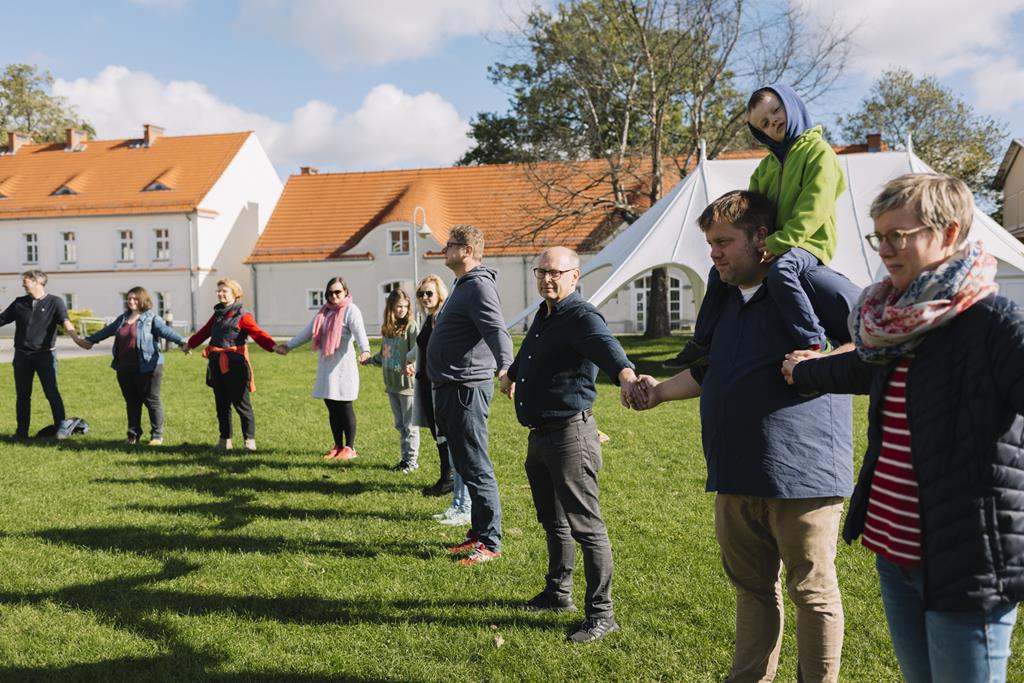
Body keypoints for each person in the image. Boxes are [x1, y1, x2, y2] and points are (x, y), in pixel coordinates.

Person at [782, 173, 1024, 683]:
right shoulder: (895, 321)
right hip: (894, 555)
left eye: (899, 235)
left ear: (950, 233)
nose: (885, 249)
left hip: (966, 560)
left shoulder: (995, 325)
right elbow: (859, 368)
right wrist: (804, 370)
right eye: (879, 236)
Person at [630, 190, 861, 682]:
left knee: (813, 593)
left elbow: (877, 337)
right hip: (735, 471)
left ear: (762, 238)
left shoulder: (814, 284)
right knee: (752, 589)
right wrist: (660, 392)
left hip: (802, 475)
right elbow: (712, 373)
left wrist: (824, 360)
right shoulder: (727, 301)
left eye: (723, 242)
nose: (713, 254)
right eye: (710, 243)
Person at [500, 246, 638, 644]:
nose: (547, 279)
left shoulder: (580, 315)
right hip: (541, 437)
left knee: (586, 527)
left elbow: (607, 347)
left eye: (555, 273)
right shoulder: (544, 316)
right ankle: (558, 593)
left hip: (570, 437)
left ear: (574, 276)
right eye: (541, 272)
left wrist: (627, 376)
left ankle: (602, 613)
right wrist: (511, 373)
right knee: (553, 522)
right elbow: (528, 356)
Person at [665, 83, 845, 370]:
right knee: (719, 274)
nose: (774, 121)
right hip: (773, 241)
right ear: (761, 133)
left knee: (782, 271)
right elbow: (753, 213)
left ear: (791, 105)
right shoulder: (765, 168)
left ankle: (814, 340)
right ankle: (703, 342)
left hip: (808, 243)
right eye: (765, 123)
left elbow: (815, 206)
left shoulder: (819, 153)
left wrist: (781, 241)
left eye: (776, 110)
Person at [426, 223, 513, 566]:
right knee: (464, 463)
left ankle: (490, 542)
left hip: (466, 389)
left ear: (466, 250)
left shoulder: (478, 287)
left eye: (449, 245)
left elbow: (497, 329)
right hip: (451, 387)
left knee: (476, 465)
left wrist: (506, 367)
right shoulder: (462, 284)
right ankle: (478, 534)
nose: (443, 250)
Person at [74, 286, 189, 445]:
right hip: (124, 367)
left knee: (151, 400)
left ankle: (156, 436)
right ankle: (133, 435)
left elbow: (166, 332)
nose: (131, 301)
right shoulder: (122, 319)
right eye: (129, 299)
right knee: (132, 401)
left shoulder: (151, 319)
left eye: (135, 298)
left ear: (143, 299)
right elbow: (106, 331)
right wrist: (89, 341)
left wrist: (182, 342)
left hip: (149, 366)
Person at [275, 276, 370, 460]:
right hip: (327, 366)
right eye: (330, 293)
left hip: (344, 368)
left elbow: (360, 333)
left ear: (345, 292)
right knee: (331, 406)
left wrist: (365, 350)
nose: (334, 296)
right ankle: (338, 446)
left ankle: (350, 448)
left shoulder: (351, 310)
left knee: (344, 405)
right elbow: (308, 332)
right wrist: (288, 346)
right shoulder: (324, 312)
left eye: (338, 292)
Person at [187, 278, 276, 451]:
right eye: (218, 291)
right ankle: (224, 440)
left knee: (242, 405)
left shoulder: (243, 315)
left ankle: (249, 442)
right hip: (216, 363)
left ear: (235, 294)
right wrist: (189, 344)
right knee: (221, 404)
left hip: (235, 365)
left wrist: (273, 346)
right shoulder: (218, 313)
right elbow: (205, 331)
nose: (220, 294)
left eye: (224, 291)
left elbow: (258, 334)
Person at [0, 270, 85, 439]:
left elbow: (65, 321)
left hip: (45, 356)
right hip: (22, 356)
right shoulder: (19, 303)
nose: (23, 283)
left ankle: (61, 429)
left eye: (26, 280)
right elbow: (1, 319)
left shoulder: (55, 302)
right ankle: (21, 432)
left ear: (36, 281)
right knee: (23, 395)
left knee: (51, 392)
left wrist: (77, 338)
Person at [412, 274, 457, 499]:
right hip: (426, 381)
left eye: (429, 293)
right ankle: (446, 475)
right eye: (421, 294)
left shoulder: (442, 318)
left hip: (439, 383)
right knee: (437, 431)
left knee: (444, 431)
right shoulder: (428, 319)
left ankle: (449, 479)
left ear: (440, 293)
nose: (425, 297)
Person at [367, 288, 420, 473]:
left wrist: (413, 365)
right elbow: (385, 355)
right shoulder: (388, 329)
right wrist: (370, 360)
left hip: (408, 386)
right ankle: (404, 459)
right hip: (392, 385)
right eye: (398, 306)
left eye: (405, 306)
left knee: (410, 425)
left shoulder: (411, 327)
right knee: (400, 425)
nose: (402, 310)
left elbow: (418, 351)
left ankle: (411, 462)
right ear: (391, 307)